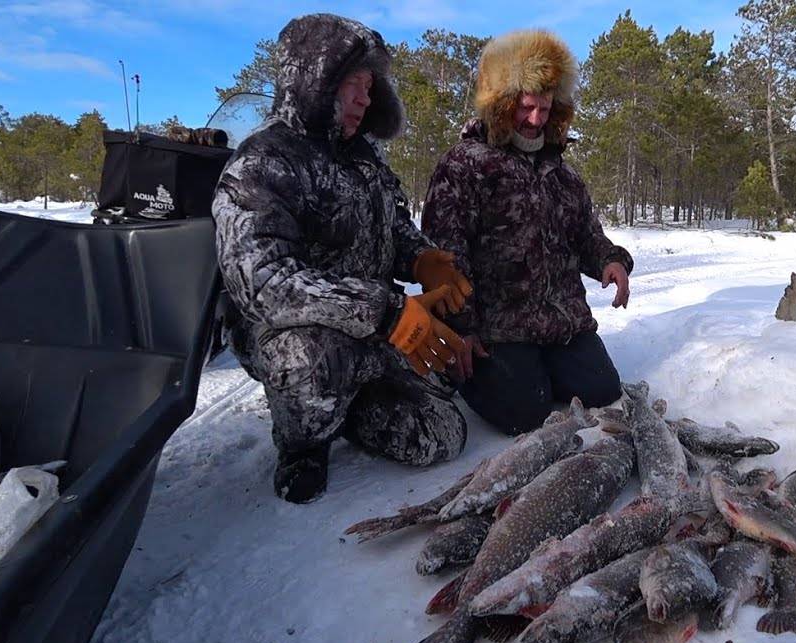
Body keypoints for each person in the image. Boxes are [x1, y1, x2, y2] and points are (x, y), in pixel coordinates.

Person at [213, 14, 473, 503]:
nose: (364, 97)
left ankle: (347, 410)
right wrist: (389, 312)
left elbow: (393, 232)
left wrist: (422, 261)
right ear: (312, 80)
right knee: (314, 362)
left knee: (443, 433)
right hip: (294, 334)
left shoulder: (364, 159)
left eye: (370, 85)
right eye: (351, 82)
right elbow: (265, 285)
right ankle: (303, 443)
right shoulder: (262, 164)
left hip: (371, 333)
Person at [422, 29, 635, 436]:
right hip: (495, 326)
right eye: (525, 107)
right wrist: (461, 329)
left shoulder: (563, 172)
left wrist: (610, 260)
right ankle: (455, 372)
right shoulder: (465, 165)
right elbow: (445, 256)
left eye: (545, 108)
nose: (535, 120)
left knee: (602, 389)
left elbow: (587, 234)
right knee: (524, 413)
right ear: (501, 105)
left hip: (559, 320)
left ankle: (536, 368)